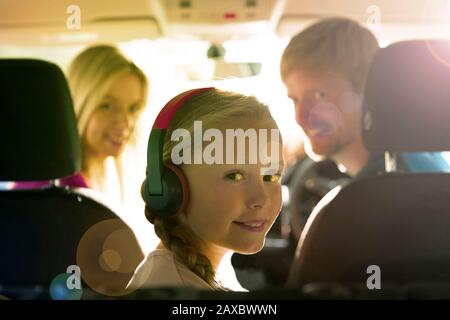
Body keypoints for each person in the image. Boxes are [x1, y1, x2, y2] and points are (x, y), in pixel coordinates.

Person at [127, 88, 284, 290]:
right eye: (234, 176)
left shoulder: (214, 272)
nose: (260, 198)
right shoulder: (172, 289)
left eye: (271, 176)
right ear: (171, 186)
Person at [280, 17, 449, 179]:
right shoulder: (416, 159)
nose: (300, 117)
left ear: (367, 91)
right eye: (295, 99)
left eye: (320, 95)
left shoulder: (378, 195)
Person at [13, 45, 149, 197]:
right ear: (77, 104)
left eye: (133, 108)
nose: (126, 122)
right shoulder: (62, 189)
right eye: (106, 106)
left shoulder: (90, 179)